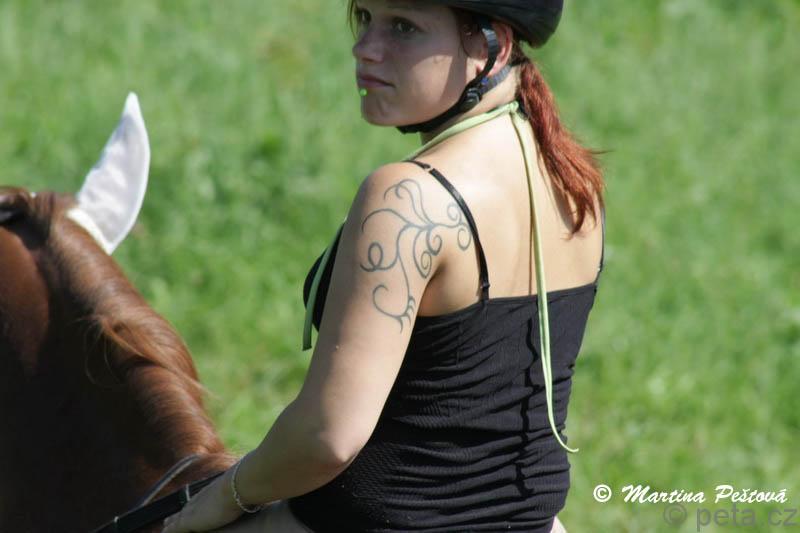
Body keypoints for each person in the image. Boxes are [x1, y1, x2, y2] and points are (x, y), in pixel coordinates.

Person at [163, 0, 605, 531]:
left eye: (403, 26)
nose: (365, 48)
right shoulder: (571, 180)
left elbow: (327, 437)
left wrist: (228, 493)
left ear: (493, 46)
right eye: (365, 18)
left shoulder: (407, 200)